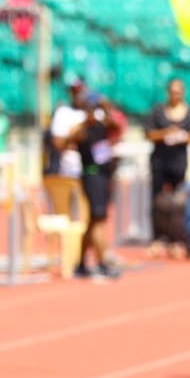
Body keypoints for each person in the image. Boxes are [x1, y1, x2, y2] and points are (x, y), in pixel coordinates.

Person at [146, 77, 190, 249]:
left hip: (178, 163)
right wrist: (166, 133)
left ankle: (177, 238)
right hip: (159, 162)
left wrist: (181, 135)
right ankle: (158, 238)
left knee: (179, 203)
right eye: (172, 92)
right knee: (157, 201)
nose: (175, 95)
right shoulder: (158, 111)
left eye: (178, 92)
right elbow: (149, 134)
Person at [72, 92, 121, 279]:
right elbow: (67, 140)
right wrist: (87, 120)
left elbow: (118, 127)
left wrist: (106, 108)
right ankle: (102, 262)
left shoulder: (103, 125)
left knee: (93, 221)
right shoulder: (82, 129)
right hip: (91, 175)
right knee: (98, 219)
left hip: (103, 175)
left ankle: (81, 263)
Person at [47, 78, 89, 223]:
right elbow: (58, 143)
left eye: (80, 91)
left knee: (89, 217)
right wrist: (77, 133)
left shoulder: (92, 113)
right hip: (66, 173)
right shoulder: (63, 113)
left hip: (90, 172)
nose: (77, 94)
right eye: (74, 91)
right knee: (65, 218)